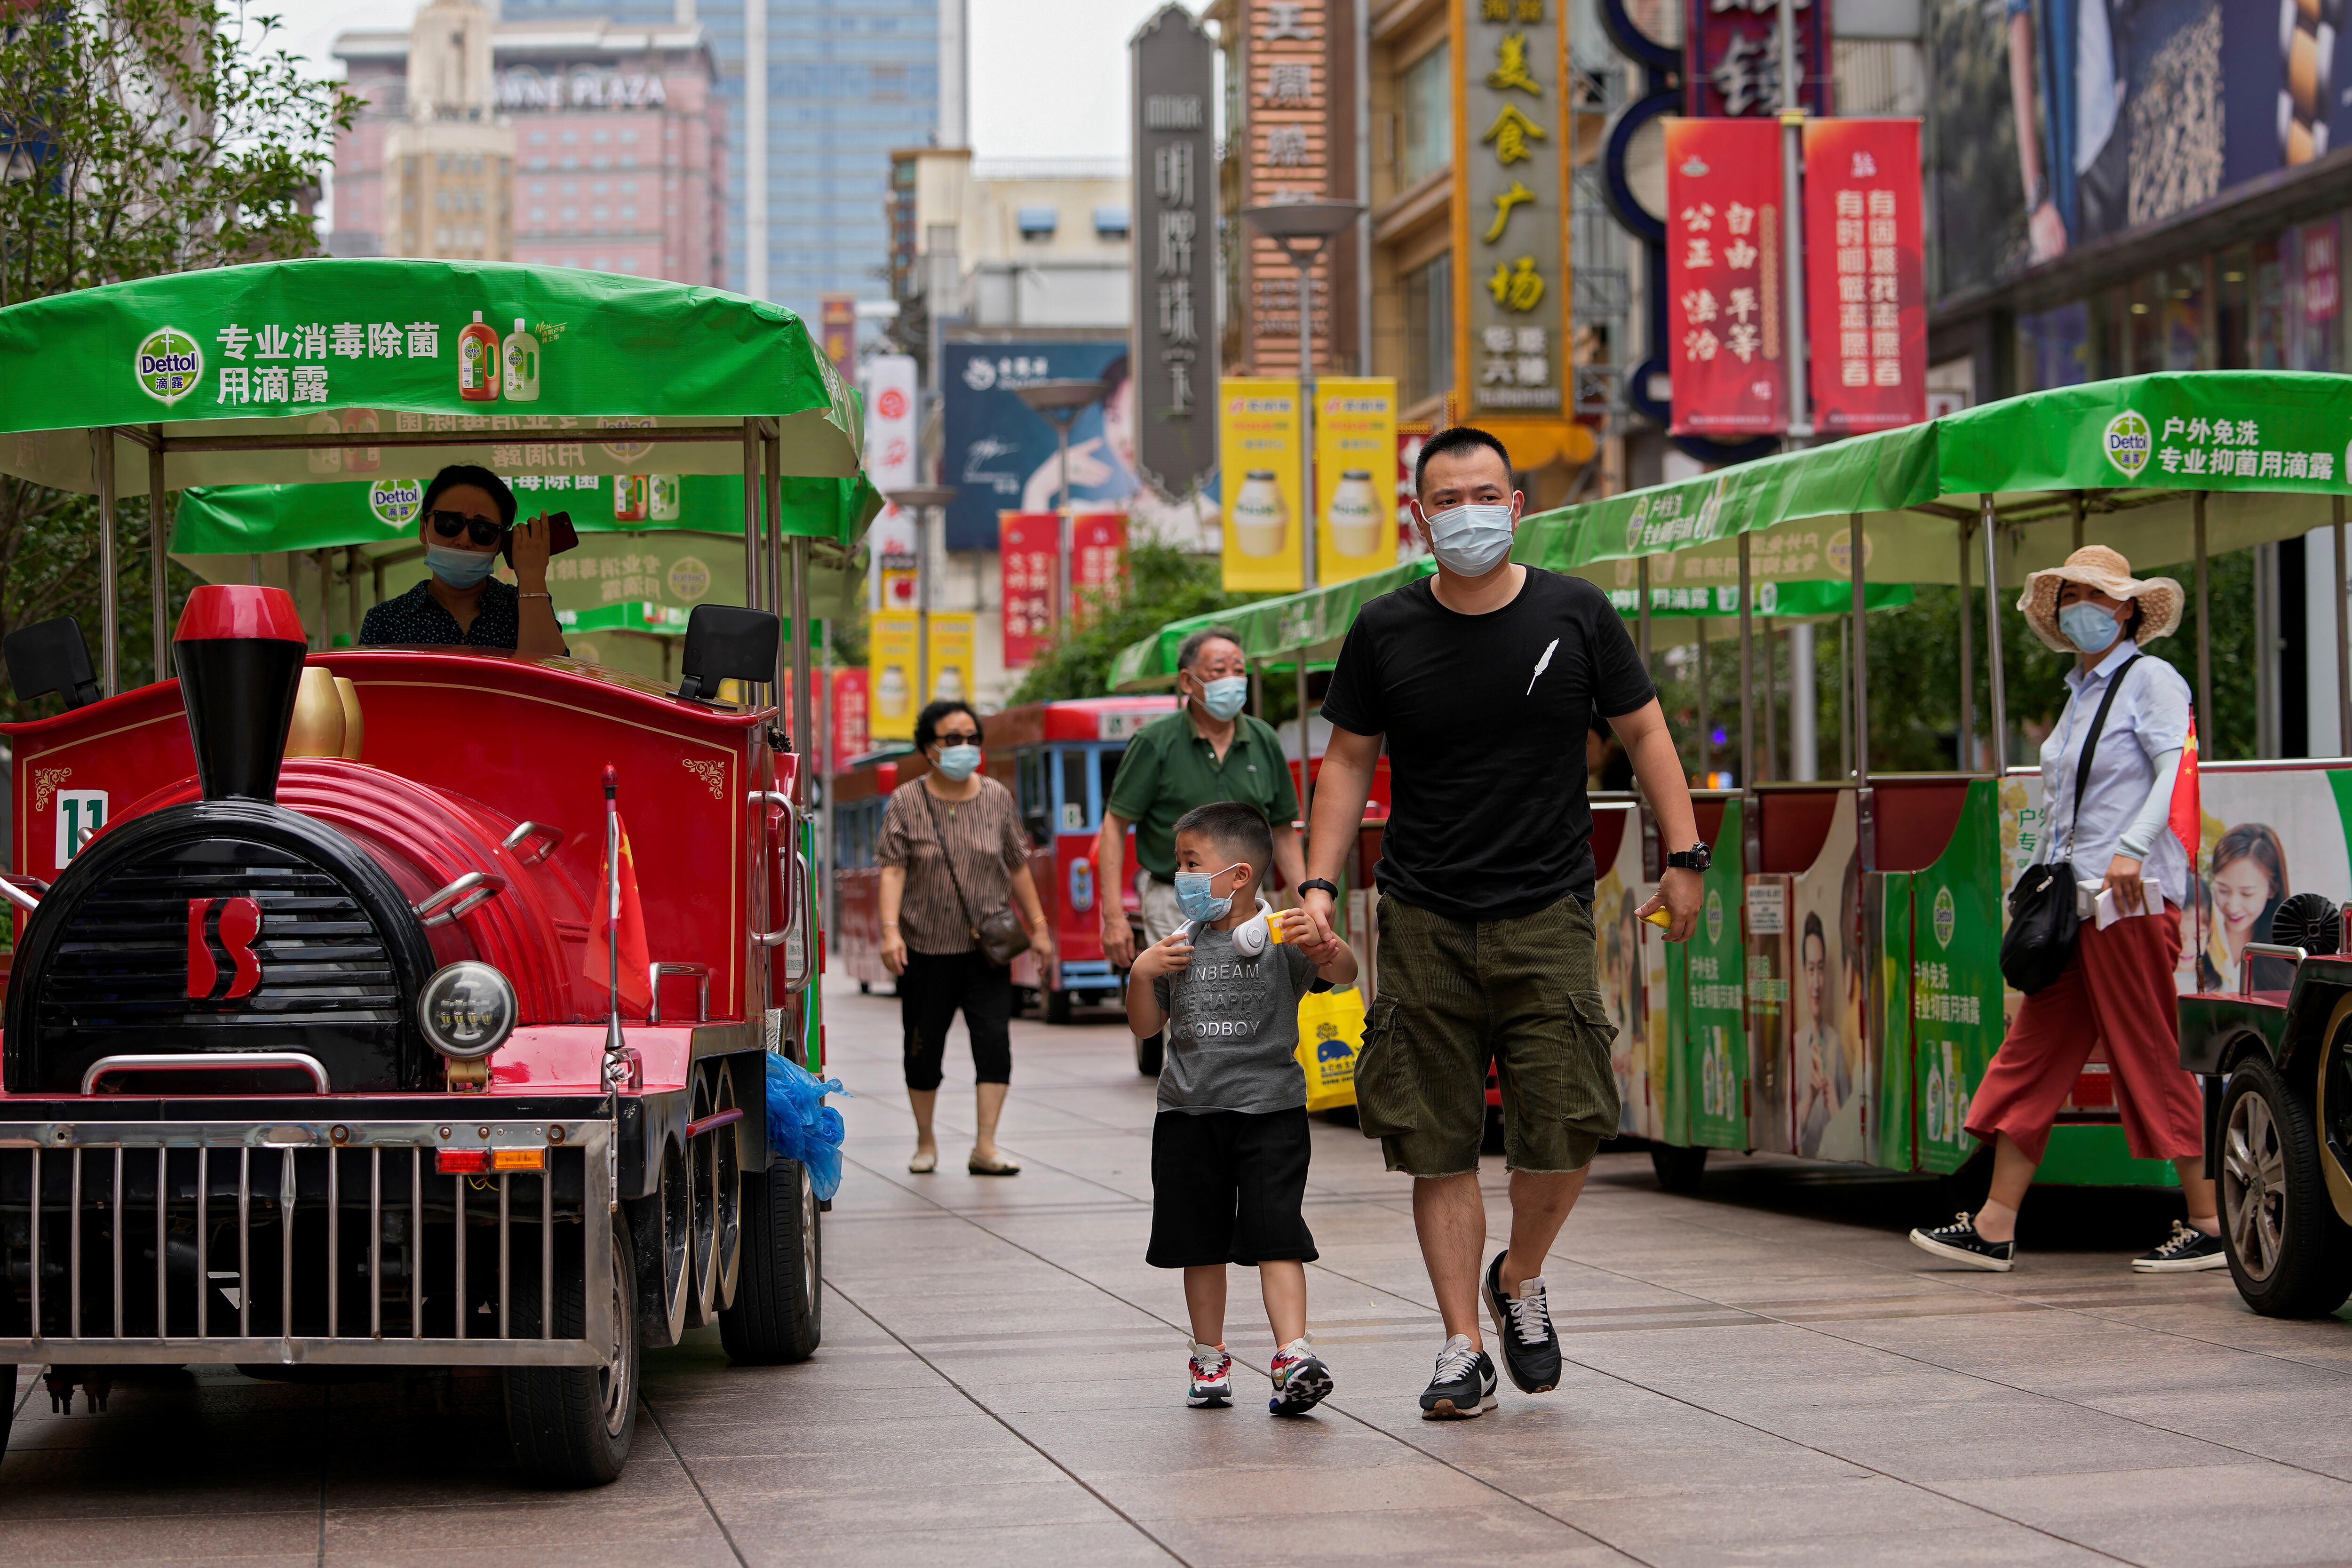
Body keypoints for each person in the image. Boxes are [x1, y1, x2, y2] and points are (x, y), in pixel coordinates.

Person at [1295, 426, 1706, 1420]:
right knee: (1433, 1139)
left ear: (1516, 507)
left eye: (1486, 493)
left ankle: (1517, 1275)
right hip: (1424, 912)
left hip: (1546, 908)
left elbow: (1644, 731)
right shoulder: (1384, 627)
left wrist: (1684, 855)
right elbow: (1348, 760)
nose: (1468, 512)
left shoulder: (1577, 611)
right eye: (1448, 498)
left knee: (1566, 1123)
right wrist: (1315, 880)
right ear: (1419, 515)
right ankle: (1459, 1345)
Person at [1910, 545, 2222, 1274]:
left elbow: (2177, 766)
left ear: (2126, 609)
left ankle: (2209, 1222)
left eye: (2095, 594)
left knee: (2149, 1052)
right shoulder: (2081, 692)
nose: (2079, 606)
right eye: (2070, 594)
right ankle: (1993, 1224)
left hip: (2127, 900)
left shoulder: (2151, 680)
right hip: (2075, 904)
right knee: (2034, 1052)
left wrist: (2134, 849)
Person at [1125, 801, 1357, 1415]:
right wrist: (1140, 972)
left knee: (1277, 1234)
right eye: (1180, 865)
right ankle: (1209, 1356)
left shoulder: (1282, 938)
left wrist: (1328, 941)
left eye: (1191, 863)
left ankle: (1293, 1355)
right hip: (1188, 1117)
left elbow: (1349, 972)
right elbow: (1146, 1027)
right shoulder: (1175, 946)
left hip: (1271, 1114)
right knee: (1199, 1243)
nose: (1181, 878)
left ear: (1239, 877)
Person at [1101, 628, 1306, 1070]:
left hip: (1247, 899)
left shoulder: (1263, 739)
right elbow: (1114, 827)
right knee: (1192, 1005)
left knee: (1251, 999)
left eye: (1239, 669)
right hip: (1177, 897)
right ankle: (1198, 1092)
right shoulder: (1156, 742)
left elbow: (1283, 830)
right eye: (1218, 671)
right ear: (1188, 682)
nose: (1233, 679)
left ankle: (1251, 1086)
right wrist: (1114, 917)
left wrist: (1308, 899)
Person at [876, 699, 1056, 1176]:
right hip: (925, 949)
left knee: (994, 1043)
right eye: (952, 739)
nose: (964, 748)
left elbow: (1017, 866)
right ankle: (926, 1140)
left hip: (987, 951)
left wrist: (1039, 929)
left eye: (972, 738)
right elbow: (893, 871)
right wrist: (890, 931)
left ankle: (986, 1146)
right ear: (928, 748)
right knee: (922, 1046)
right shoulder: (906, 801)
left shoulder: (997, 797)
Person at [359, 465, 568, 654]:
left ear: (499, 543)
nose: (464, 540)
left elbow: (553, 686)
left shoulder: (526, 605)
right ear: (423, 528)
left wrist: (532, 578)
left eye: (483, 530)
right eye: (449, 523)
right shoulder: (386, 621)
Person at [2199, 824, 2287, 992]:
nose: (2233, 906)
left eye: (2247, 894)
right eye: (2223, 890)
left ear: (2273, 889)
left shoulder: (2288, 949)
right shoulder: (2198, 935)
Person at [1794, 911, 1848, 1159]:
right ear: (1804, 973)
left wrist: (1832, 1101)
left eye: (1821, 969)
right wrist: (1808, 1101)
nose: (1817, 983)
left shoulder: (1837, 1044)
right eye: (1811, 970)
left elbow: (1851, 1137)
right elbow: (1788, 1135)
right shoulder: (1795, 1046)